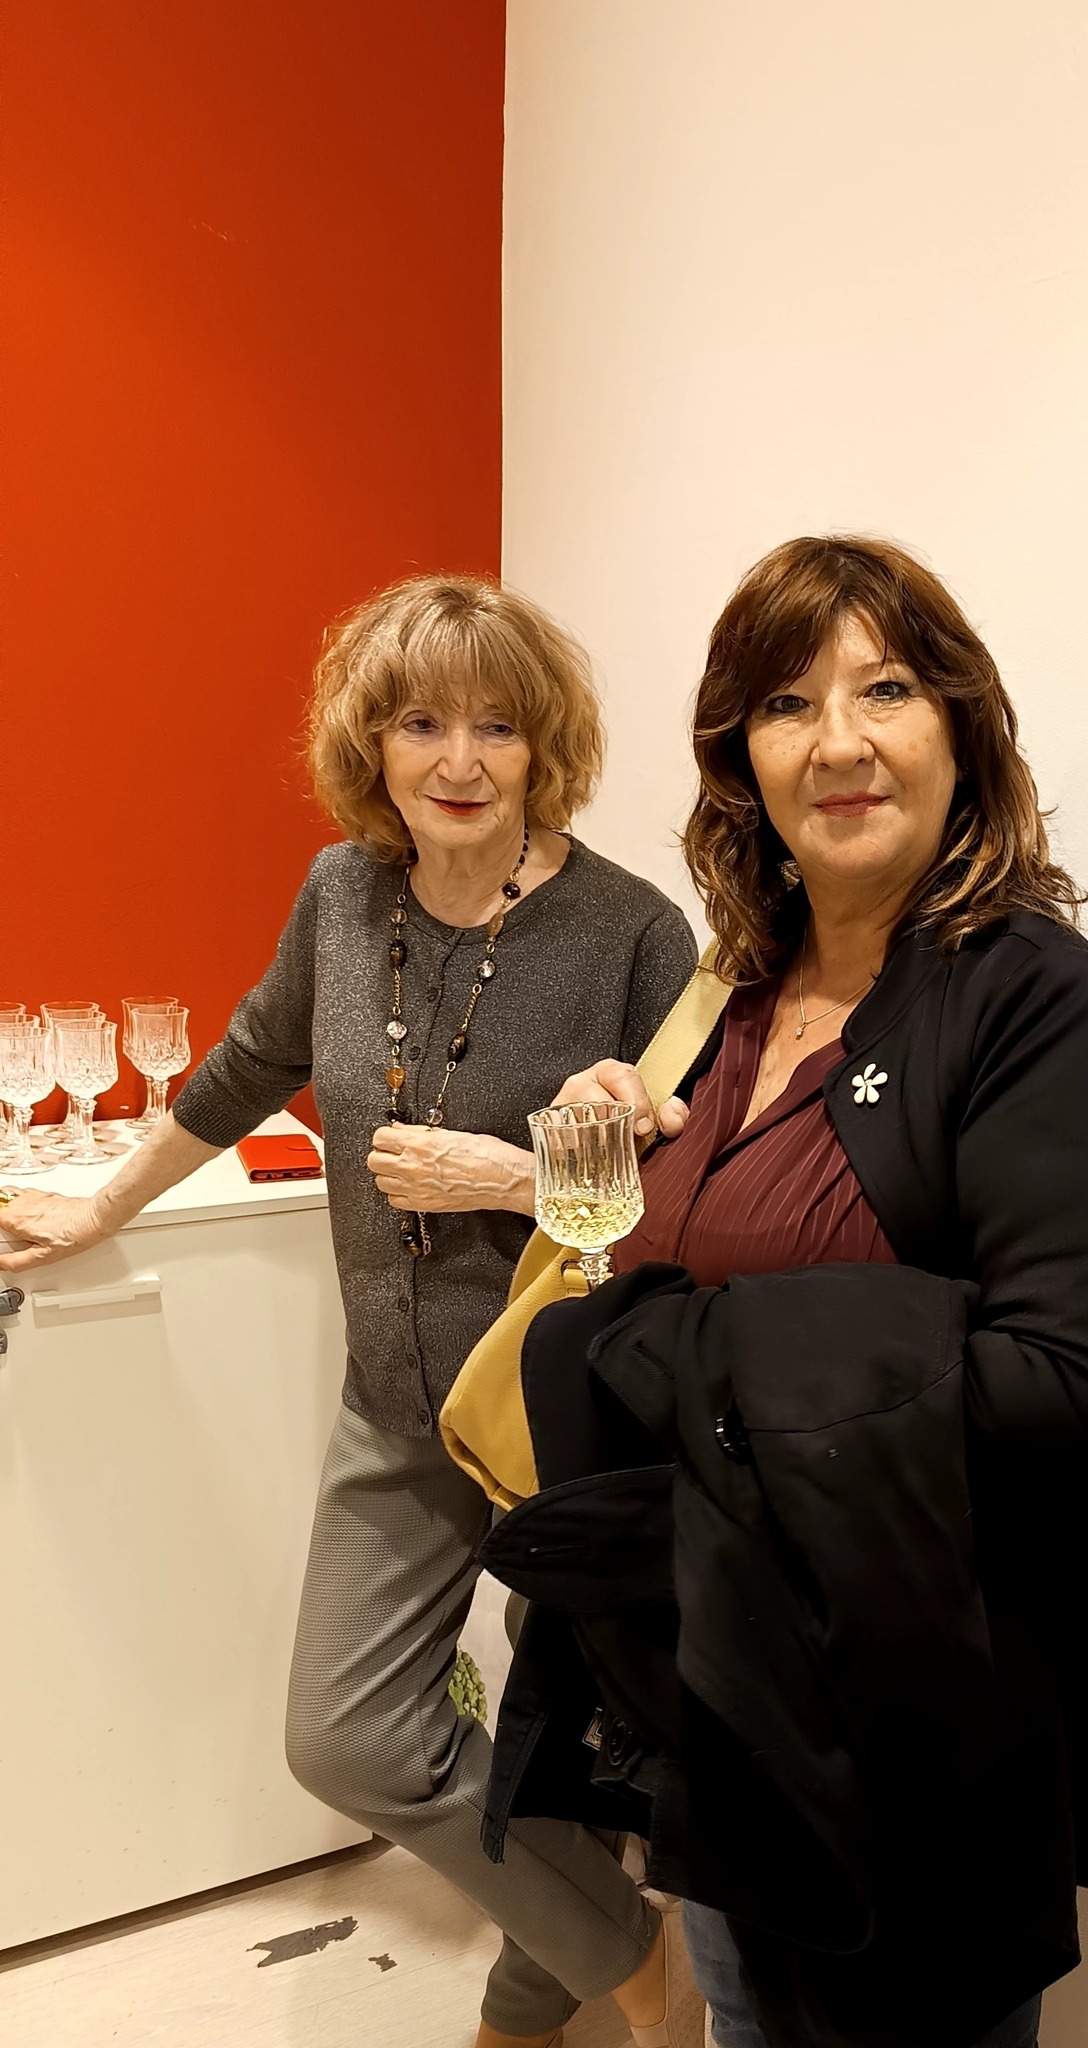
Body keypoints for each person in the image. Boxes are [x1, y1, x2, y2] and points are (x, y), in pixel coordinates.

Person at [0, 575, 701, 2048]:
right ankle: (633, 1955)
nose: (460, 762)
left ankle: (532, 2011)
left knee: (564, 1741)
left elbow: (697, 1208)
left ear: (546, 743)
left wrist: (517, 1176)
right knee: (350, 1736)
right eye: (422, 723)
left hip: (566, 1417)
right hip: (393, 1408)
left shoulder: (634, 934)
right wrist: (103, 1205)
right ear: (371, 743)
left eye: (498, 726)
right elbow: (248, 1063)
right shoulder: (341, 893)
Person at [535, 534, 1088, 2048]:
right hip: (726, 1687)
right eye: (787, 703)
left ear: (963, 730)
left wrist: (674, 1350)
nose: (837, 742)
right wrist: (623, 1173)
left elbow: (1064, 1382)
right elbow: (674, 1277)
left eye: (885, 689)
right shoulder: (735, 992)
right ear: (741, 760)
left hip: (910, 1732)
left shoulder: (1036, 1000)